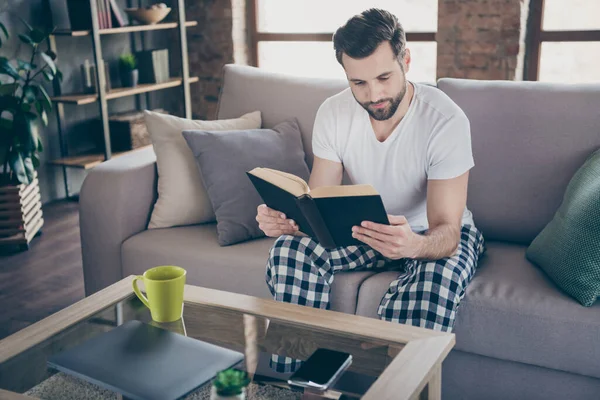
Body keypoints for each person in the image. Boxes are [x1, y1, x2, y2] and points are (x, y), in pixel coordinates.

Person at [256, 8, 486, 372]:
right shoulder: (333, 112)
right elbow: (320, 204)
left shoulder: (445, 120)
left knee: (430, 290)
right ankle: (301, 386)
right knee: (290, 251)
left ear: (406, 60)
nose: (374, 94)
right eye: (358, 83)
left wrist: (414, 245)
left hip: (431, 234)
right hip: (363, 231)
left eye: (383, 77)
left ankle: (398, 388)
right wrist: (287, 221)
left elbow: (449, 232)